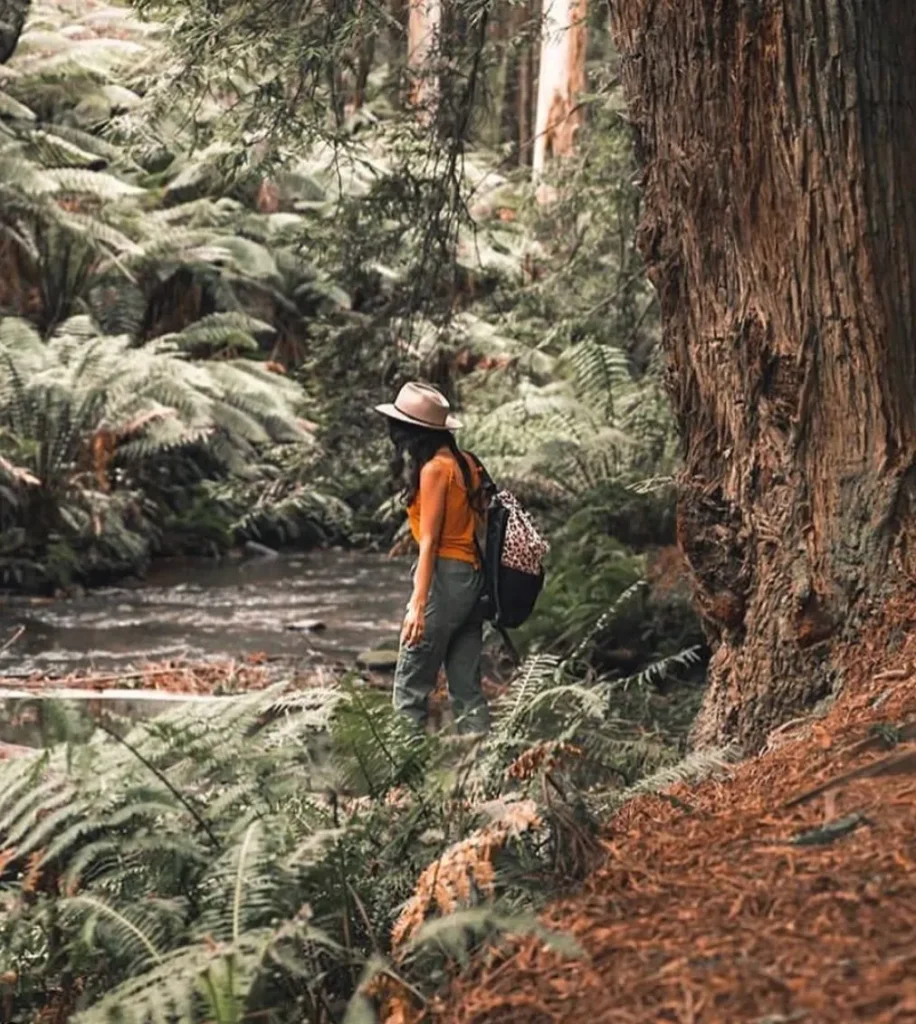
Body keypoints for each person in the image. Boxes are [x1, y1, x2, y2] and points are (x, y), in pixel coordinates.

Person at [375, 381, 489, 735]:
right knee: (467, 690)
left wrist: (418, 605)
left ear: (410, 431)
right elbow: (481, 525)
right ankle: (486, 777)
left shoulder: (434, 470)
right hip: (472, 578)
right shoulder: (467, 463)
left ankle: (401, 784)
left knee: (410, 688)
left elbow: (430, 542)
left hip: (443, 580)